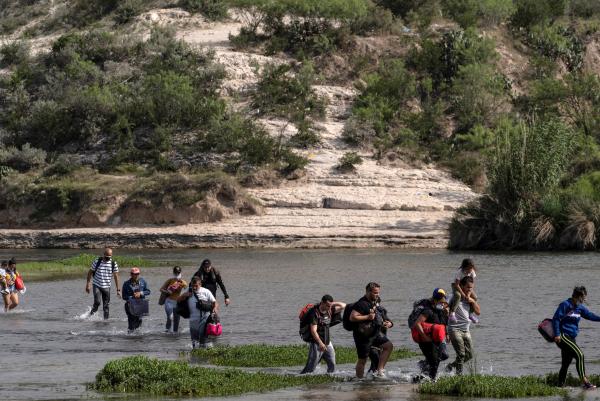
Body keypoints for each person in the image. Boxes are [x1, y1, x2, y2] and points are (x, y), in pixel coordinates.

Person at [552, 286, 600, 389]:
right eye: (583, 297)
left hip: (571, 338)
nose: (584, 300)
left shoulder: (580, 308)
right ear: (578, 296)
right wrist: (556, 334)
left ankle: (560, 386)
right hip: (562, 336)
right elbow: (556, 319)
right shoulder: (565, 304)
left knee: (566, 362)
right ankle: (585, 382)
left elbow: (590, 315)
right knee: (580, 355)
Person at [350, 282, 394, 379]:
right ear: (368, 292)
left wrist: (389, 323)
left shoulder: (375, 302)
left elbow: (382, 316)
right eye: (375, 293)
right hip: (362, 336)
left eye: (378, 292)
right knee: (362, 360)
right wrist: (368, 317)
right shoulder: (361, 303)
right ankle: (359, 380)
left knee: (388, 346)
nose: (377, 295)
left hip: (374, 333)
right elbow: (352, 317)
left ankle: (380, 371)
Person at [300, 295, 346, 374]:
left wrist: (332, 304)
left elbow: (343, 305)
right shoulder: (314, 313)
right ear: (322, 303)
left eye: (330, 305)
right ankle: (302, 378)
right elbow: (313, 331)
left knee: (332, 364)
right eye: (328, 305)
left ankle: (329, 379)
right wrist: (320, 343)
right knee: (310, 367)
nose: (329, 307)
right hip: (316, 342)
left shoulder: (330, 309)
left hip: (327, 341)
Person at [411, 288, 449, 380]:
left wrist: (447, 334)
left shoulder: (442, 311)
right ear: (434, 300)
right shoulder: (428, 310)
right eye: (440, 301)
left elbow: (443, 324)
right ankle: (432, 379)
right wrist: (424, 336)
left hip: (437, 338)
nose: (442, 303)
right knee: (434, 360)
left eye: (443, 301)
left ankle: (425, 370)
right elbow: (417, 324)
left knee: (442, 356)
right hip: (426, 341)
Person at [446, 276, 480, 375]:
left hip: (466, 330)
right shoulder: (454, 296)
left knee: (469, 355)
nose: (470, 289)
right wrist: (446, 309)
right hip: (454, 329)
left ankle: (451, 366)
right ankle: (459, 376)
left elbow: (478, 312)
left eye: (471, 288)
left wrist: (473, 301)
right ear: (461, 286)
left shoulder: (470, 299)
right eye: (468, 287)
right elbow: (444, 306)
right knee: (461, 354)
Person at [178, 276, 219, 349]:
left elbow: (215, 303)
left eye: (196, 286)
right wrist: (184, 295)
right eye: (193, 286)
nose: (194, 288)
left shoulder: (206, 291)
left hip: (204, 318)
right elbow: (178, 300)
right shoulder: (188, 291)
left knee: (202, 336)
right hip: (192, 319)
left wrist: (215, 309)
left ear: (200, 284)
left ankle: (203, 354)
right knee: (194, 341)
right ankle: (196, 355)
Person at [85, 248, 120, 319]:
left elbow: (116, 276)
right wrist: (88, 284)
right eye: (106, 257)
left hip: (107, 287)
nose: (108, 259)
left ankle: (105, 322)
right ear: (103, 255)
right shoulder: (97, 261)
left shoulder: (113, 263)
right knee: (97, 302)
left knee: (106, 306)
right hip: (97, 285)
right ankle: (90, 317)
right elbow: (90, 272)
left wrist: (118, 290)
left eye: (109, 257)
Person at [367, 297, 394, 374]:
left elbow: (388, 320)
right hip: (370, 341)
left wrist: (390, 324)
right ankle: (375, 377)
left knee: (376, 363)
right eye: (375, 303)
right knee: (376, 360)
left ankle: (372, 378)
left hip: (381, 341)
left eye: (377, 303)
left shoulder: (381, 310)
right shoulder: (366, 310)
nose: (376, 305)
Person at [449, 258, 478, 324]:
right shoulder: (460, 272)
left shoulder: (472, 272)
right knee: (458, 295)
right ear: (464, 267)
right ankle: (452, 313)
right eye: (468, 268)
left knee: (475, 297)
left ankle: (470, 314)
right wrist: (463, 294)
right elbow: (456, 284)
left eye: (471, 268)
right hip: (456, 286)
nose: (470, 270)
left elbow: (471, 285)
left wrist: (468, 294)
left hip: (467, 286)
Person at [122, 267, 151, 333]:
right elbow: (124, 296)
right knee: (131, 321)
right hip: (130, 305)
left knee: (139, 321)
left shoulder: (143, 281)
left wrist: (141, 293)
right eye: (134, 274)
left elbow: (148, 291)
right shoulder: (126, 284)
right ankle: (130, 336)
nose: (136, 275)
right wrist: (132, 297)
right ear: (131, 274)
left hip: (141, 304)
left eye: (137, 274)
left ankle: (137, 338)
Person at [160, 266, 187, 333]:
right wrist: (167, 291)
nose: (177, 274)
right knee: (170, 317)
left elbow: (186, 287)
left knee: (177, 319)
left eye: (178, 272)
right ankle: (167, 330)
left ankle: (175, 332)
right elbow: (161, 289)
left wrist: (181, 283)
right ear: (173, 272)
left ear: (180, 272)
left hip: (177, 302)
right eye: (175, 272)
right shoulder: (170, 280)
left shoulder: (182, 282)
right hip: (169, 301)